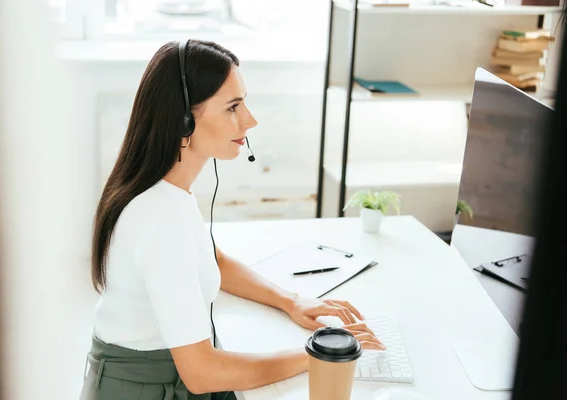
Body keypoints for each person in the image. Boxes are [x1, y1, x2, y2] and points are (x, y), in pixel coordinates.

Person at [79, 39, 385, 400]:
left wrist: (291, 301)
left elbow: (215, 261)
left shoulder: (169, 190)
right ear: (184, 119)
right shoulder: (157, 216)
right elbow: (202, 373)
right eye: (233, 107)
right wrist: (316, 356)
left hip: (167, 378)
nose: (250, 120)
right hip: (148, 388)